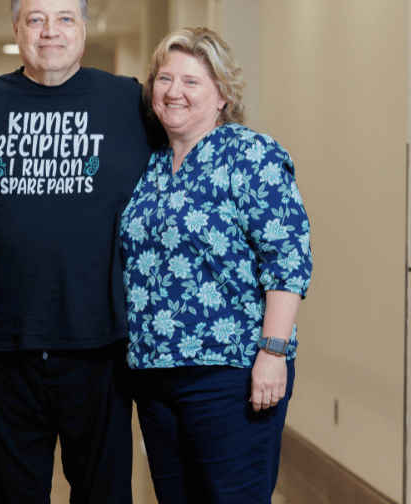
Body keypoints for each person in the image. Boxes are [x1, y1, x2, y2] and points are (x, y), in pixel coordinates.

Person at [0, 0, 156, 504]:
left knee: (104, 495)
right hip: (1, 348)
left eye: (65, 18)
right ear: (17, 30)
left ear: (84, 29)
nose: (50, 32)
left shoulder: (130, 103)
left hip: (102, 347)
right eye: (35, 19)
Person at [120, 27, 312, 503]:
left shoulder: (250, 154)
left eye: (191, 81)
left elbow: (287, 259)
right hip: (155, 376)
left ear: (223, 94)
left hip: (232, 374)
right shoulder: (150, 165)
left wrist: (272, 352)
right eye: (164, 79)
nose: (173, 92)